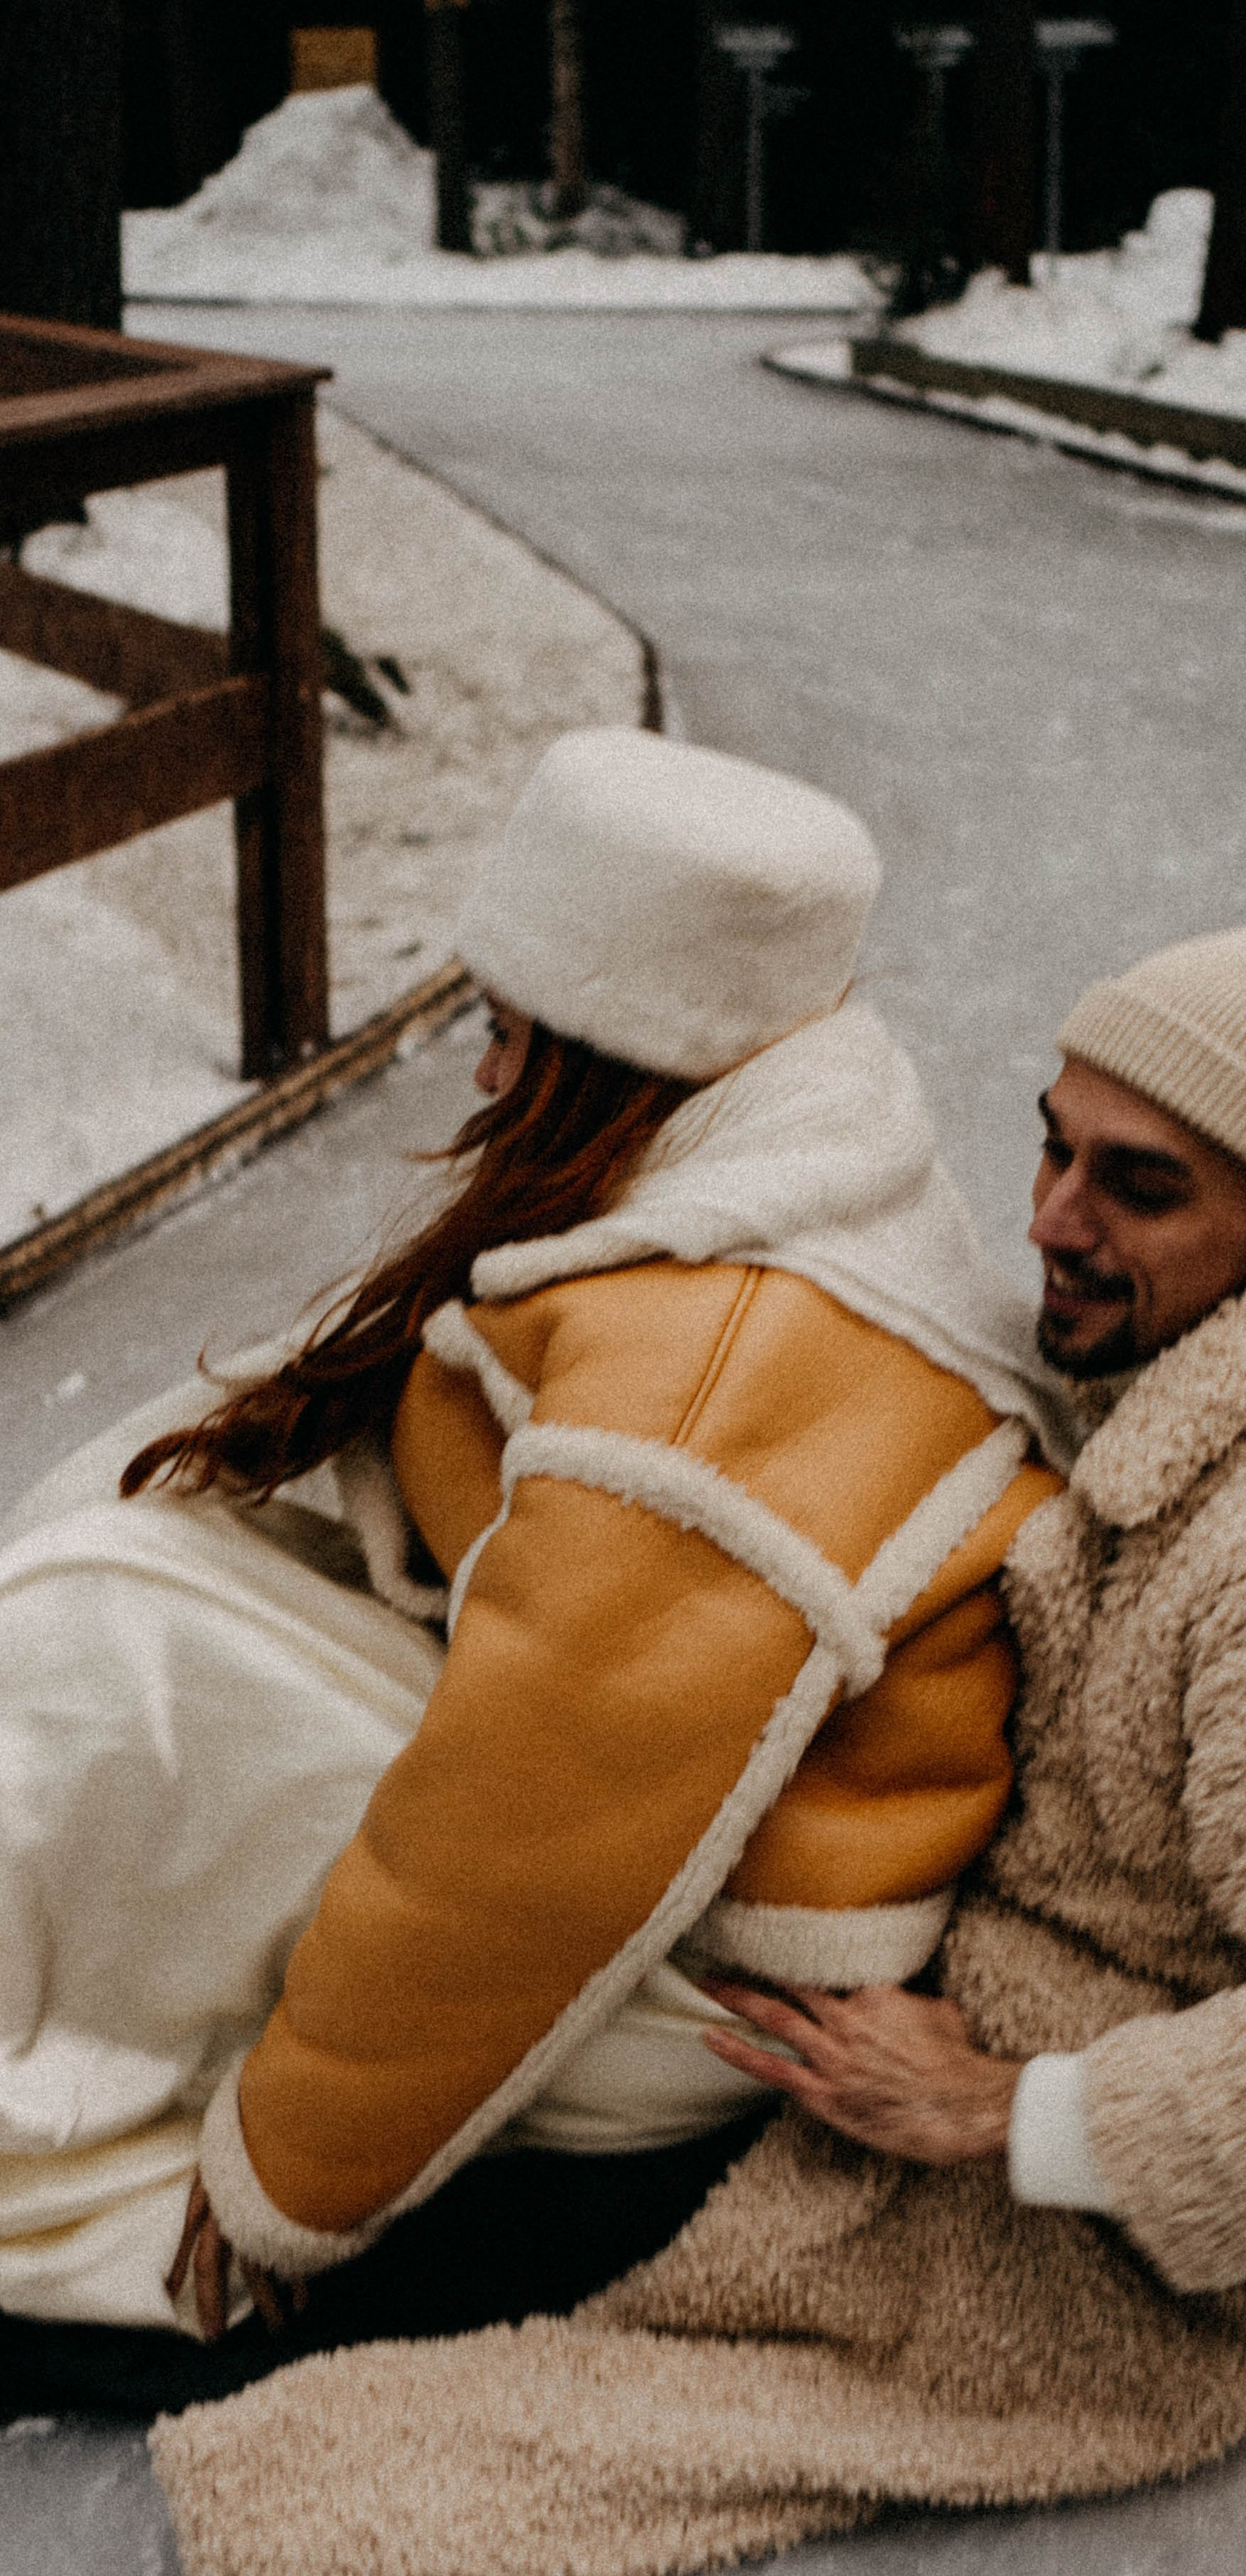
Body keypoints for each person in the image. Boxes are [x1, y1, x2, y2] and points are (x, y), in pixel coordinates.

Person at [151, 897, 1246, 2576]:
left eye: (1139, 1187)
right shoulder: (1199, 1361)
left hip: (1035, 2223)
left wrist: (1006, 2111)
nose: (1050, 1222)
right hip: (912, 1981)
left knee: (263, 2284)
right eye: (1052, 1150)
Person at [0, 726, 1065, 2416]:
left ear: (621, 1042)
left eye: (509, 1034)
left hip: (680, 2000)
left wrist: (295, 2176)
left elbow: (520, 1858)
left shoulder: (712, 1387)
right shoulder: (777, 1146)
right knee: (117, 1613)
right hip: (657, 1869)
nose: (483, 1080)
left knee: (115, 1665)